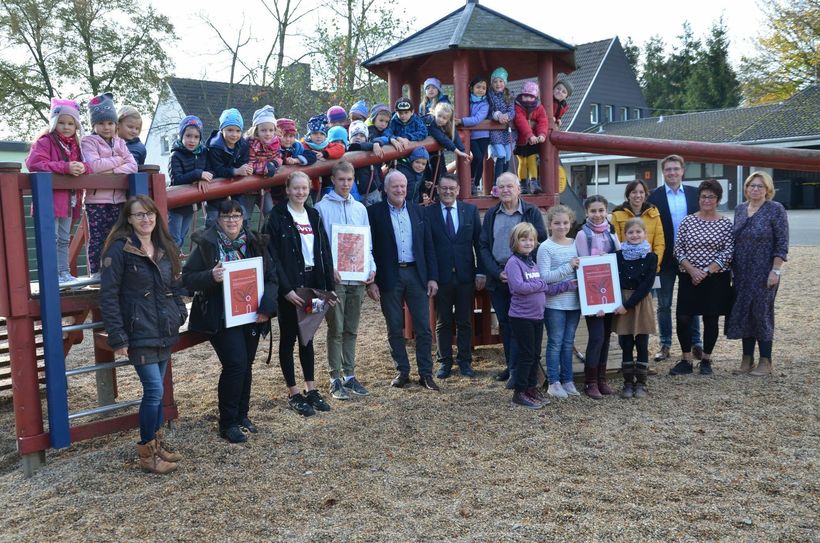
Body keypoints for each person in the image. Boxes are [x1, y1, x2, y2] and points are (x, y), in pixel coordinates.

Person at [99, 195, 187, 474]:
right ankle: (147, 452)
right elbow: (109, 296)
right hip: (138, 331)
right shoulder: (119, 249)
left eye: (149, 214)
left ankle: (158, 445)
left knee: (157, 392)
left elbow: (176, 285)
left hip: (163, 328)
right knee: (153, 391)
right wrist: (118, 337)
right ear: (129, 219)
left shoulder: (164, 246)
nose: (145, 219)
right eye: (139, 215)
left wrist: (179, 313)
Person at [182, 199, 278, 443]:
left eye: (236, 216)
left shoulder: (255, 242)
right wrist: (210, 276)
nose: (232, 221)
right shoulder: (207, 244)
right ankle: (227, 422)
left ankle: (242, 415)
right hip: (221, 316)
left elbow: (271, 277)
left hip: (252, 313)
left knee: (246, 365)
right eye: (227, 217)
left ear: (243, 218)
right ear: (218, 219)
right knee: (235, 364)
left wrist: (268, 307)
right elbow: (188, 279)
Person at [265, 171, 336, 416]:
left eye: (304, 188)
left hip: (312, 283)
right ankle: (293, 392)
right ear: (287, 189)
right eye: (296, 188)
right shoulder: (276, 216)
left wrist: (328, 289)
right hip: (291, 285)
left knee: (307, 336)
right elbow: (272, 257)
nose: (300, 192)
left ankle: (311, 388)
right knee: (288, 339)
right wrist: (285, 290)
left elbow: (323, 250)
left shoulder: (314, 214)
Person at [367, 170, 440, 391]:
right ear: (386, 189)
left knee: (424, 327)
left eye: (403, 186)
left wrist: (432, 278)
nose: (400, 190)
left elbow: (429, 246)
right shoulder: (374, 213)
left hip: (416, 274)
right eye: (395, 186)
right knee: (394, 327)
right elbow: (368, 248)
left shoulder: (419, 211)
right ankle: (402, 370)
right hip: (389, 275)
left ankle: (426, 374)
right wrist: (371, 282)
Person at [479, 172, 547, 386]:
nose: (506, 190)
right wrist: (495, 272)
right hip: (499, 277)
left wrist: (523, 269)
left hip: (525, 279)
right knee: (506, 325)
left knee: (524, 325)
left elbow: (540, 243)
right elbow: (483, 246)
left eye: (510, 186)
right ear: (496, 190)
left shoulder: (530, 212)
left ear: (519, 188)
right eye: (501, 187)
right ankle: (511, 367)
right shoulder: (491, 214)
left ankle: (523, 372)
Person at [315, 161, 376, 400]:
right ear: (333, 180)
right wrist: (329, 271)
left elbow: (366, 242)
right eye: (341, 180)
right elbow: (321, 246)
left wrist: (371, 268)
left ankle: (350, 375)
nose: (346, 184)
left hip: (358, 276)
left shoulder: (360, 208)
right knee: (336, 327)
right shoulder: (321, 208)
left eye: (349, 180)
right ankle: (334, 377)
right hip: (336, 277)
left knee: (352, 327)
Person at [505, 222, 576, 409]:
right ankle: (519, 392)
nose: (528, 243)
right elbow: (519, 287)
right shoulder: (513, 263)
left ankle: (530, 387)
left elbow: (546, 289)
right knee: (526, 355)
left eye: (531, 239)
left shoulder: (532, 263)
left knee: (535, 355)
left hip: (537, 316)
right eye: (523, 239)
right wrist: (541, 285)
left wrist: (568, 286)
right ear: (515, 241)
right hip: (521, 317)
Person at [726, 172, 788, 376]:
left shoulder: (775, 209)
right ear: (746, 188)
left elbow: (782, 242)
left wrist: (775, 270)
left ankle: (765, 360)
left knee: (761, 313)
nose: (755, 189)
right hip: (742, 272)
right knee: (744, 312)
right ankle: (747, 359)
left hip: (764, 272)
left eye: (760, 186)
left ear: (767, 189)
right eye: (752, 185)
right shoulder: (740, 209)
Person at [670, 179, 734, 376]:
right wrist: (692, 270)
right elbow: (678, 248)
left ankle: (706, 359)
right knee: (683, 317)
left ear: (718, 199)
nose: (707, 200)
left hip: (715, 278)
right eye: (704, 196)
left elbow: (728, 252)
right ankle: (686, 359)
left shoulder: (725, 223)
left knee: (711, 318)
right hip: (689, 276)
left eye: (711, 197)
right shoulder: (688, 221)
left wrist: (705, 271)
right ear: (699, 198)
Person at [425, 174, 485, 378]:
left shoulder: (470, 211)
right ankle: (444, 362)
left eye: (452, 188)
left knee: (464, 320)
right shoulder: (430, 213)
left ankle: (465, 362)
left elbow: (479, 243)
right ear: (438, 190)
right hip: (441, 277)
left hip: (465, 275)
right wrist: (431, 277)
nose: (448, 192)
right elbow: (429, 248)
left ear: (458, 190)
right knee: (442, 321)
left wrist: (481, 271)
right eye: (444, 188)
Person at [25, 98, 90, 285]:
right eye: (61, 122)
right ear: (54, 123)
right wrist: (65, 167)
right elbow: (34, 163)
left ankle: (64, 272)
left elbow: (87, 164)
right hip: (49, 200)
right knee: (50, 238)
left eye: (70, 123)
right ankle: (50, 274)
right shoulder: (45, 141)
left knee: (63, 238)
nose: (66, 126)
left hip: (69, 201)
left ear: (76, 125)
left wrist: (82, 168)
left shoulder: (76, 144)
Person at [648, 154, 703, 363]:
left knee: (693, 303)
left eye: (676, 169)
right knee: (663, 304)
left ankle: (696, 343)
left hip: (692, 258)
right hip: (666, 259)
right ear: (664, 172)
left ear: (682, 171)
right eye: (668, 169)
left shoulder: (695, 194)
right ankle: (665, 344)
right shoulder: (654, 197)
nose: (672, 173)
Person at [82, 92, 138, 278]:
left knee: (117, 236)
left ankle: (115, 270)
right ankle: (96, 271)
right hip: (96, 199)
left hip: (119, 199)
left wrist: (111, 171)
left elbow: (133, 166)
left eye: (110, 123)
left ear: (115, 124)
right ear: (94, 125)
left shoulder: (120, 142)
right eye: (101, 123)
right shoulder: (89, 142)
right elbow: (95, 165)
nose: (106, 127)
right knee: (97, 236)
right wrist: (117, 160)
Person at [576, 195, 621, 399]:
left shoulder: (612, 232)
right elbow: (584, 266)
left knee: (606, 338)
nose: (597, 215)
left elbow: (619, 258)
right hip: (593, 293)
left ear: (606, 211)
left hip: (610, 293)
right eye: (593, 211)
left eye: (601, 210)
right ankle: (590, 382)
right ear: (586, 212)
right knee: (596, 337)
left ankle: (602, 379)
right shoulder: (582, 235)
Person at [536, 204, 581, 399]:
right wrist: (568, 266)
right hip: (554, 303)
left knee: (568, 342)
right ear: (550, 225)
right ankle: (553, 381)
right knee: (555, 342)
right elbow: (544, 277)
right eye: (557, 223)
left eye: (565, 223)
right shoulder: (545, 247)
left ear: (570, 223)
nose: (562, 226)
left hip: (575, 302)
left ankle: (567, 379)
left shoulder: (576, 243)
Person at [612, 218, 658, 399]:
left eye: (638, 232)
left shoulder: (650, 257)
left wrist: (627, 305)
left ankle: (641, 383)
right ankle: (627, 383)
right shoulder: (618, 256)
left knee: (641, 342)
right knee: (626, 343)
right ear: (625, 235)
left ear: (645, 234)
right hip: (622, 299)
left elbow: (646, 285)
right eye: (630, 232)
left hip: (639, 301)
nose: (634, 235)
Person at [168, 115, 212, 252]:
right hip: (176, 206)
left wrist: (203, 178)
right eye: (188, 136)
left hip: (191, 204)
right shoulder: (175, 155)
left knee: (181, 237)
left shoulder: (204, 153)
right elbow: (177, 179)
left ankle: (172, 266)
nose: (192, 140)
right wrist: (198, 174)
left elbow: (211, 170)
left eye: (196, 137)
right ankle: (168, 268)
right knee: (173, 239)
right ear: (181, 136)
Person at [205, 108, 252, 226]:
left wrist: (246, 169)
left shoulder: (243, 144)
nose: (234, 134)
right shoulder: (215, 146)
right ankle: (211, 241)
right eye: (230, 130)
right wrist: (236, 171)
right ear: (222, 129)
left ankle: (243, 240)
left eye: (238, 131)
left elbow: (244, 162)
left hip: (236, 184)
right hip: (216, 184)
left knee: (242, 215)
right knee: (214, 219)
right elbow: (217, 169)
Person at [611, 180, 665, 271]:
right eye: (634, 192)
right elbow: (616, 245)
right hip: (626, 269)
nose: (638, 195)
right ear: (628, 195)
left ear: (645, 195)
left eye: (641, 192)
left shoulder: (654, 213)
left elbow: (659, 244)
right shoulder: (617, 215)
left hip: (649, 268)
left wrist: (653, 263)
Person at [423, 102, 471, 200]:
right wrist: (458, 152)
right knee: (426, 172)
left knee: (441, 171)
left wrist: (463, 151)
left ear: (448, 120)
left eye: (444, 118)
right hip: (423, 151)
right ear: (434, 113)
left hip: (434, 153)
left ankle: (437, 195)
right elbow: (441, 138)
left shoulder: (448, 125)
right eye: (439, 116)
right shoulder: (430, 121)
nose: (440, 119)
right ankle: (429, 195)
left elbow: (455, 136)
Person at [244, 105, 282, 219]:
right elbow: (250, 164)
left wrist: (274, 164)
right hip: (249, 189)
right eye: (263, 130)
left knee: (270, 213)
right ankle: (245, 236)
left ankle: (269, 235)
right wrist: (265, 167)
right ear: (256, 131)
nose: (268, 133)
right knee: (246, 217)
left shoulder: (275, 144)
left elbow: (279, 157)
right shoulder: (251, 145)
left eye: (271, 130)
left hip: (265, 188)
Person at [456, 76, 490, 195]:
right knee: (476, 157)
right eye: (478, 87)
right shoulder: (466, 101)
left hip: (483, 136)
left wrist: (461, 121)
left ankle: (475, 184)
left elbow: (477, 119)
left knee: (480, 159)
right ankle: (469, 181)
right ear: (471, 88)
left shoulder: (485, 104)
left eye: (484, 88)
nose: (481, 90)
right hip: (469, 136)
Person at [512, 81, 548, 195]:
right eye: (525, 96)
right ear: (522, 95)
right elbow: (520, 121)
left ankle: (534, 182)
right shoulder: (518, 106)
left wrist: (542, 134)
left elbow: (543, 121)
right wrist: (529, 135)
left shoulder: (539, 107)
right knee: (522, 161)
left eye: (530, 97)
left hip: (533, 140)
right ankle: (522, 184)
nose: (527, 99)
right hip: (521, 139)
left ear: (535, 97)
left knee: (532, 159)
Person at [487, 67, 515, 183]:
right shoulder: (489, 96)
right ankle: (496, 184)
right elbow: (489, 111)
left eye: (501, 81)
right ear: (492, 83)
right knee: (501, 155)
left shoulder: (509, 95)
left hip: (507, 130)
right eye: (495, 81)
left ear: (505, 83)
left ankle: (504, 182)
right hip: (495, 130)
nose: (498, 84)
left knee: (508, 156)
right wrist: (498, 115)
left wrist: (507, 116)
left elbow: (512, 110)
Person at [346, 120, 384, 205]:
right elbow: (354, 147)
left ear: (366, 138)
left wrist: (377, 143)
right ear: (349, 138)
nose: (358, 137)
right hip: (359, 194)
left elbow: (383, 140)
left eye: (362, 135)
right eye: (355, 135)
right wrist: (373, 145)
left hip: (374, 190)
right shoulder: (349, 148)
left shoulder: (369, 147)